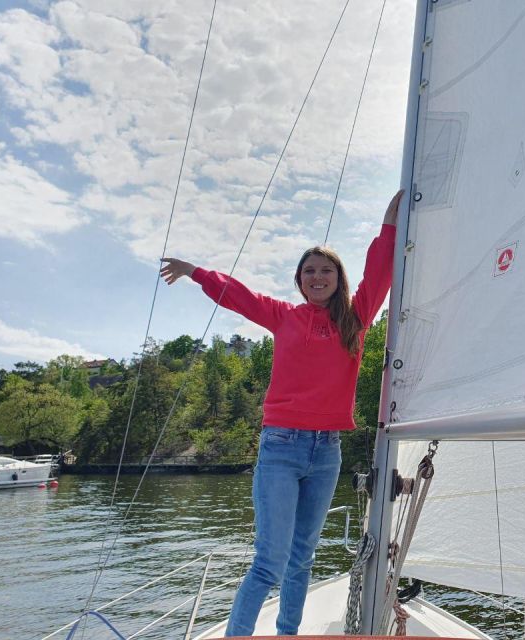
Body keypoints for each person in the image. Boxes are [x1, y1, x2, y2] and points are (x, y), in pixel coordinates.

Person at [159, 190, 402, 636]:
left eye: (326, 270)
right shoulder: (283, 316)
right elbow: (238, 296)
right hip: (281, 448)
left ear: (338, 278)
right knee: (269, 562)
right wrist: (196, 273)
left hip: (327, 451)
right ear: (299, 279)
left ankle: (287, 632)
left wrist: (390, 224)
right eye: (309, 271)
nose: (317, 276)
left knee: (303, 557)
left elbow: (381, 274)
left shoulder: (355, 319)